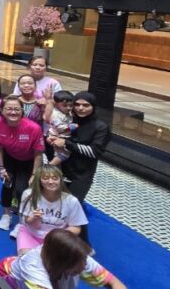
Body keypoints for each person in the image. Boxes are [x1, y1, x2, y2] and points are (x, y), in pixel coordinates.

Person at [53, 91, 111, 243]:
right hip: (63, 169)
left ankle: (84, 244)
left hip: (82, 174)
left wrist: (67, 144)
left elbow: (94, 152)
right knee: (59, 204)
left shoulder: (100, 127)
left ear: (93, 107)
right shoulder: (70, 120)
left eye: (86, 105)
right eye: (77, 104)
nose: (80, 108)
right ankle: (61, 240)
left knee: (75, 205)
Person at [0, 229, 126, 289]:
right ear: (63, 262)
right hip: (7, 275)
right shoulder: (34, 269)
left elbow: (114, 282)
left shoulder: (78, 256)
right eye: (79, 265)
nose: (84, 266)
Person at [0, 96, 45, 233]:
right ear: (2, 110)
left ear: (22, 111)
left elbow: (38, 153)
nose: (13, 112)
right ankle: (6, 215)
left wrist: (34, 174)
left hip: (29, 161)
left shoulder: (33, 128)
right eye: (9, 109)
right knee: (7, 184)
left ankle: (23, 221)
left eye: (17, 109)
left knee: (23, 189)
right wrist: (1, 168)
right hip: (10, 158)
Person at [16, 164, 87, 255]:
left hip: (56, 239)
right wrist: (33, 218)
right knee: (27, 258)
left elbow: (76, 228)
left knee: (57, 262)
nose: (50, 181)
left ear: (60, 180)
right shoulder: (29, 195)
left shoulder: (71, 201)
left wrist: (57, 235)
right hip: (31, 234)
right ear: (39, 180)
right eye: (45, 178)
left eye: (55, 178)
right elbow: (26, 221)